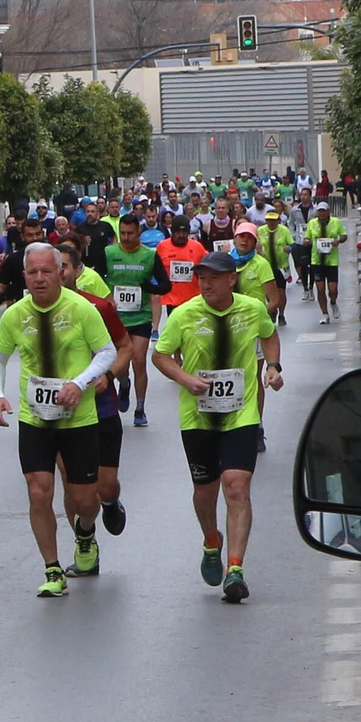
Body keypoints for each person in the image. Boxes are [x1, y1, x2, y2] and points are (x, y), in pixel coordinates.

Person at [0, 243, 117, 598]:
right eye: (32, 273)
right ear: (23, 275)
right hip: (35, 418)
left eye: (47, 271)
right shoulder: (15, 314)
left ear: (61, 271)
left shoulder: (81, 309)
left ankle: (86, 533)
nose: (40, 279)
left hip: (79, 420)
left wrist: (80, 382)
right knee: (38, 492)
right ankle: (53, 568)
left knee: (84, 501)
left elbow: (108, 352)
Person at [151, 251, 282, 603]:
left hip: (241, 413)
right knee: (206, 491)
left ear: (231, 280)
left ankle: (235, 568)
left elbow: (269, 335)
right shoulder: (186, 314)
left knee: (236, 485)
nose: (205, 283)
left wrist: (273, 366)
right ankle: (212, 539)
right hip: (198, 417)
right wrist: (184, 378)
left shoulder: (252, 309)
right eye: (201, 277)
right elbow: (160, 355)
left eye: (213, 277)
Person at [54, 244, 132, 575]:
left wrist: (109, 374)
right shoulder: (35, 312)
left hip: (101, 409)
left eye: (63, 267)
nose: (56, 274)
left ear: (76, 271)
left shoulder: (98, 307)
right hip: (60, 414)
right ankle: (86, 546)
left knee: (104, 486)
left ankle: (111, 502)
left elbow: (125, 347)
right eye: (47, 268)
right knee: (71, 485)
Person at [101, 214, 174, 429]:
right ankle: (124, 385)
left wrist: (148, 288)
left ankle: (140, 407)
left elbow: (165, 286)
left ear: (138, 232)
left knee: (138, 359)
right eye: (122, 233)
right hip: (116, 317)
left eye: (130, 233)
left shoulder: (149, 256)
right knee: (120, 363)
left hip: (140, 316)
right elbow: (96, 280)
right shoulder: (109, 253)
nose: (126, 237)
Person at [231, 221, 282, 452]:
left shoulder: (261, 264)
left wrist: (256, 318)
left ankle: (257, 427)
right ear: (234, 239)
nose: (244, 240)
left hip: (255, 331)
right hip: (230, 329)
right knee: (232, 376)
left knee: (253, 377)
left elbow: (274, 300)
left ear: (254, 241)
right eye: (240, 236)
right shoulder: (226, 263)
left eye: (249, 237)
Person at [156, 216, 208, 322]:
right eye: (178, 232)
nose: (181, 235)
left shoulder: (197, 247)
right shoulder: (162, 246)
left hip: (193, 299)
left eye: (184, 232)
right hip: (171, 299)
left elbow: (207, 267)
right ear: (172, 232)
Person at [304, 201, 347, 323]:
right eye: (320, 211)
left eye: (324, 211)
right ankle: (325, 314)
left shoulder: (335, 222)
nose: (322, 213)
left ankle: (333, 303)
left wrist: (338, 240)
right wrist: (306, 241)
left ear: (328, 211)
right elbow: (306, 237)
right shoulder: (312, 223)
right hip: (316, 260)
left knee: (332, 289)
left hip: (331, 260)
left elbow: (344, 236)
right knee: (320, 288)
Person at [258, 208, 294, 325]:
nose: (271, 223)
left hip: (281, 265)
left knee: (281, 292)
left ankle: (282, 314)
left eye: (273, 220)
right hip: (266, 266)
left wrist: (289, 249)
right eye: (269, 220)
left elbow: (292, 244)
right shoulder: (260, 231)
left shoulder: (284, 230)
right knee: (269, 292)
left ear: (278, 220)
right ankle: (273, 310)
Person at [75, 199, 116, 271]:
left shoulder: (105, 226)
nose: (90, 214)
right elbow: (75, 245)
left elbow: (114, 236)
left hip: (103, 262)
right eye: (88, 211)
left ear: (97, 213)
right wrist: (83, 242)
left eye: (92, 211)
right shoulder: (80, 228)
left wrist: (112, 248)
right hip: (86, 263)